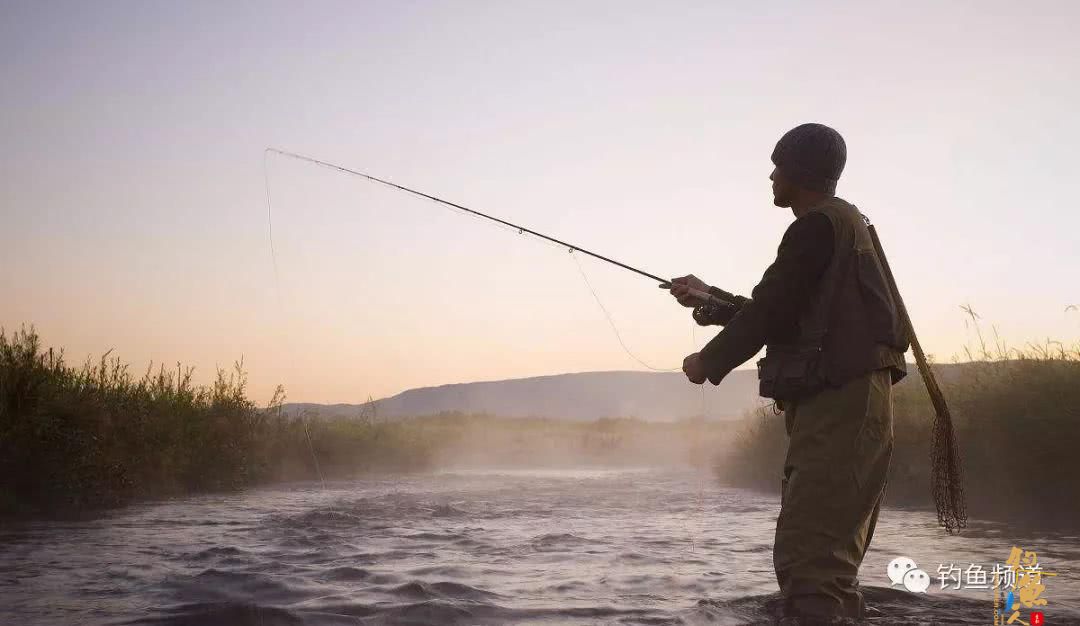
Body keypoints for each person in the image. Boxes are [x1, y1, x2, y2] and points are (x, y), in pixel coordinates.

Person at [668, 123, 909, 624]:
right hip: (850, 403)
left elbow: (771, 311)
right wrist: (710, 298)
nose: (771, 176)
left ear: (798, 172)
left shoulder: (816, 226)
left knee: (810, 563)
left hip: (840, 404)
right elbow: (792, 312)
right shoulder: (845, 224)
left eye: (778, 166)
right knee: (827, 565)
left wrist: (706, 363)